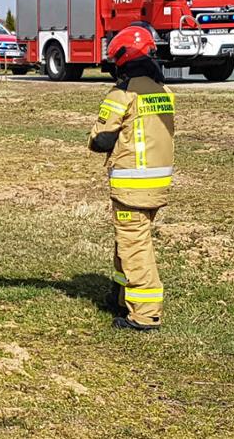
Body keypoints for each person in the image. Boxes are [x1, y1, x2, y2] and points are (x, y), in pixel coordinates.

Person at [87, 26, 174, 331]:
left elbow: (102, 139)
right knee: (128, 240)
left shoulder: (122, 95)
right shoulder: (164, 92)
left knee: (135, 246)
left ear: (122, 60)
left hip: (131, 186)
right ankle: (121, 294)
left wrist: (94, 136)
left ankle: (146, 313)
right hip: (157, 184)